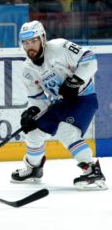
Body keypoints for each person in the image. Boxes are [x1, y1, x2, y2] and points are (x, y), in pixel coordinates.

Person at [11, 20, 107, 190]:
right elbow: (38, 99)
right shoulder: (27, 69)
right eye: (26, 43)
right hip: (60, 103)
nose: (29, 46)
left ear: (42, 38)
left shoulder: (60, 47)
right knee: (33, 130)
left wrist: (74, 82)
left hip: (84, 98)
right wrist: (32, 113)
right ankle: (34, 168)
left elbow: (90, 59)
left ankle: (93, 170)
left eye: (33, 41)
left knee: (66, 131)